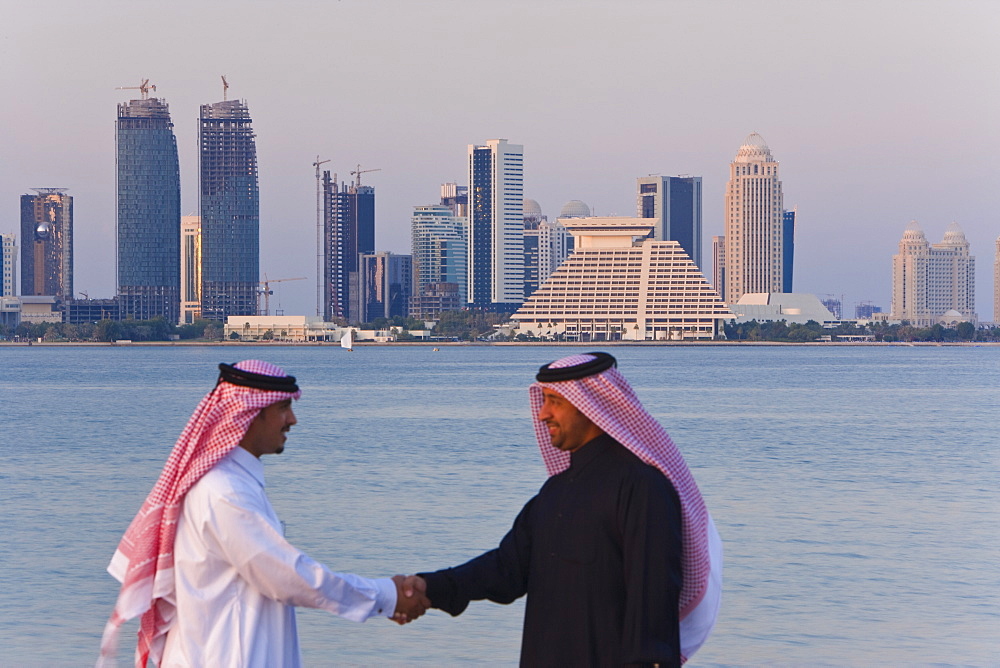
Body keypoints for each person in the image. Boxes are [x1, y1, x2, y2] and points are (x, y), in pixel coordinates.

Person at [98, 360, 428, 667]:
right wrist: (385, 595)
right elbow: (288, 576)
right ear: (251, 413)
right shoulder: (224, 492)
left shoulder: (233, 483)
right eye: (283, 408)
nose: (293, 420)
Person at [405, 352, 722, 666]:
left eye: (555, 401)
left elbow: (652, 600)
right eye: (543, 400)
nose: (543, 415)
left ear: (592, 406)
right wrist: (428, 586)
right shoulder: (555, 491)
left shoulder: (641, 487)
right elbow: (507, 569)